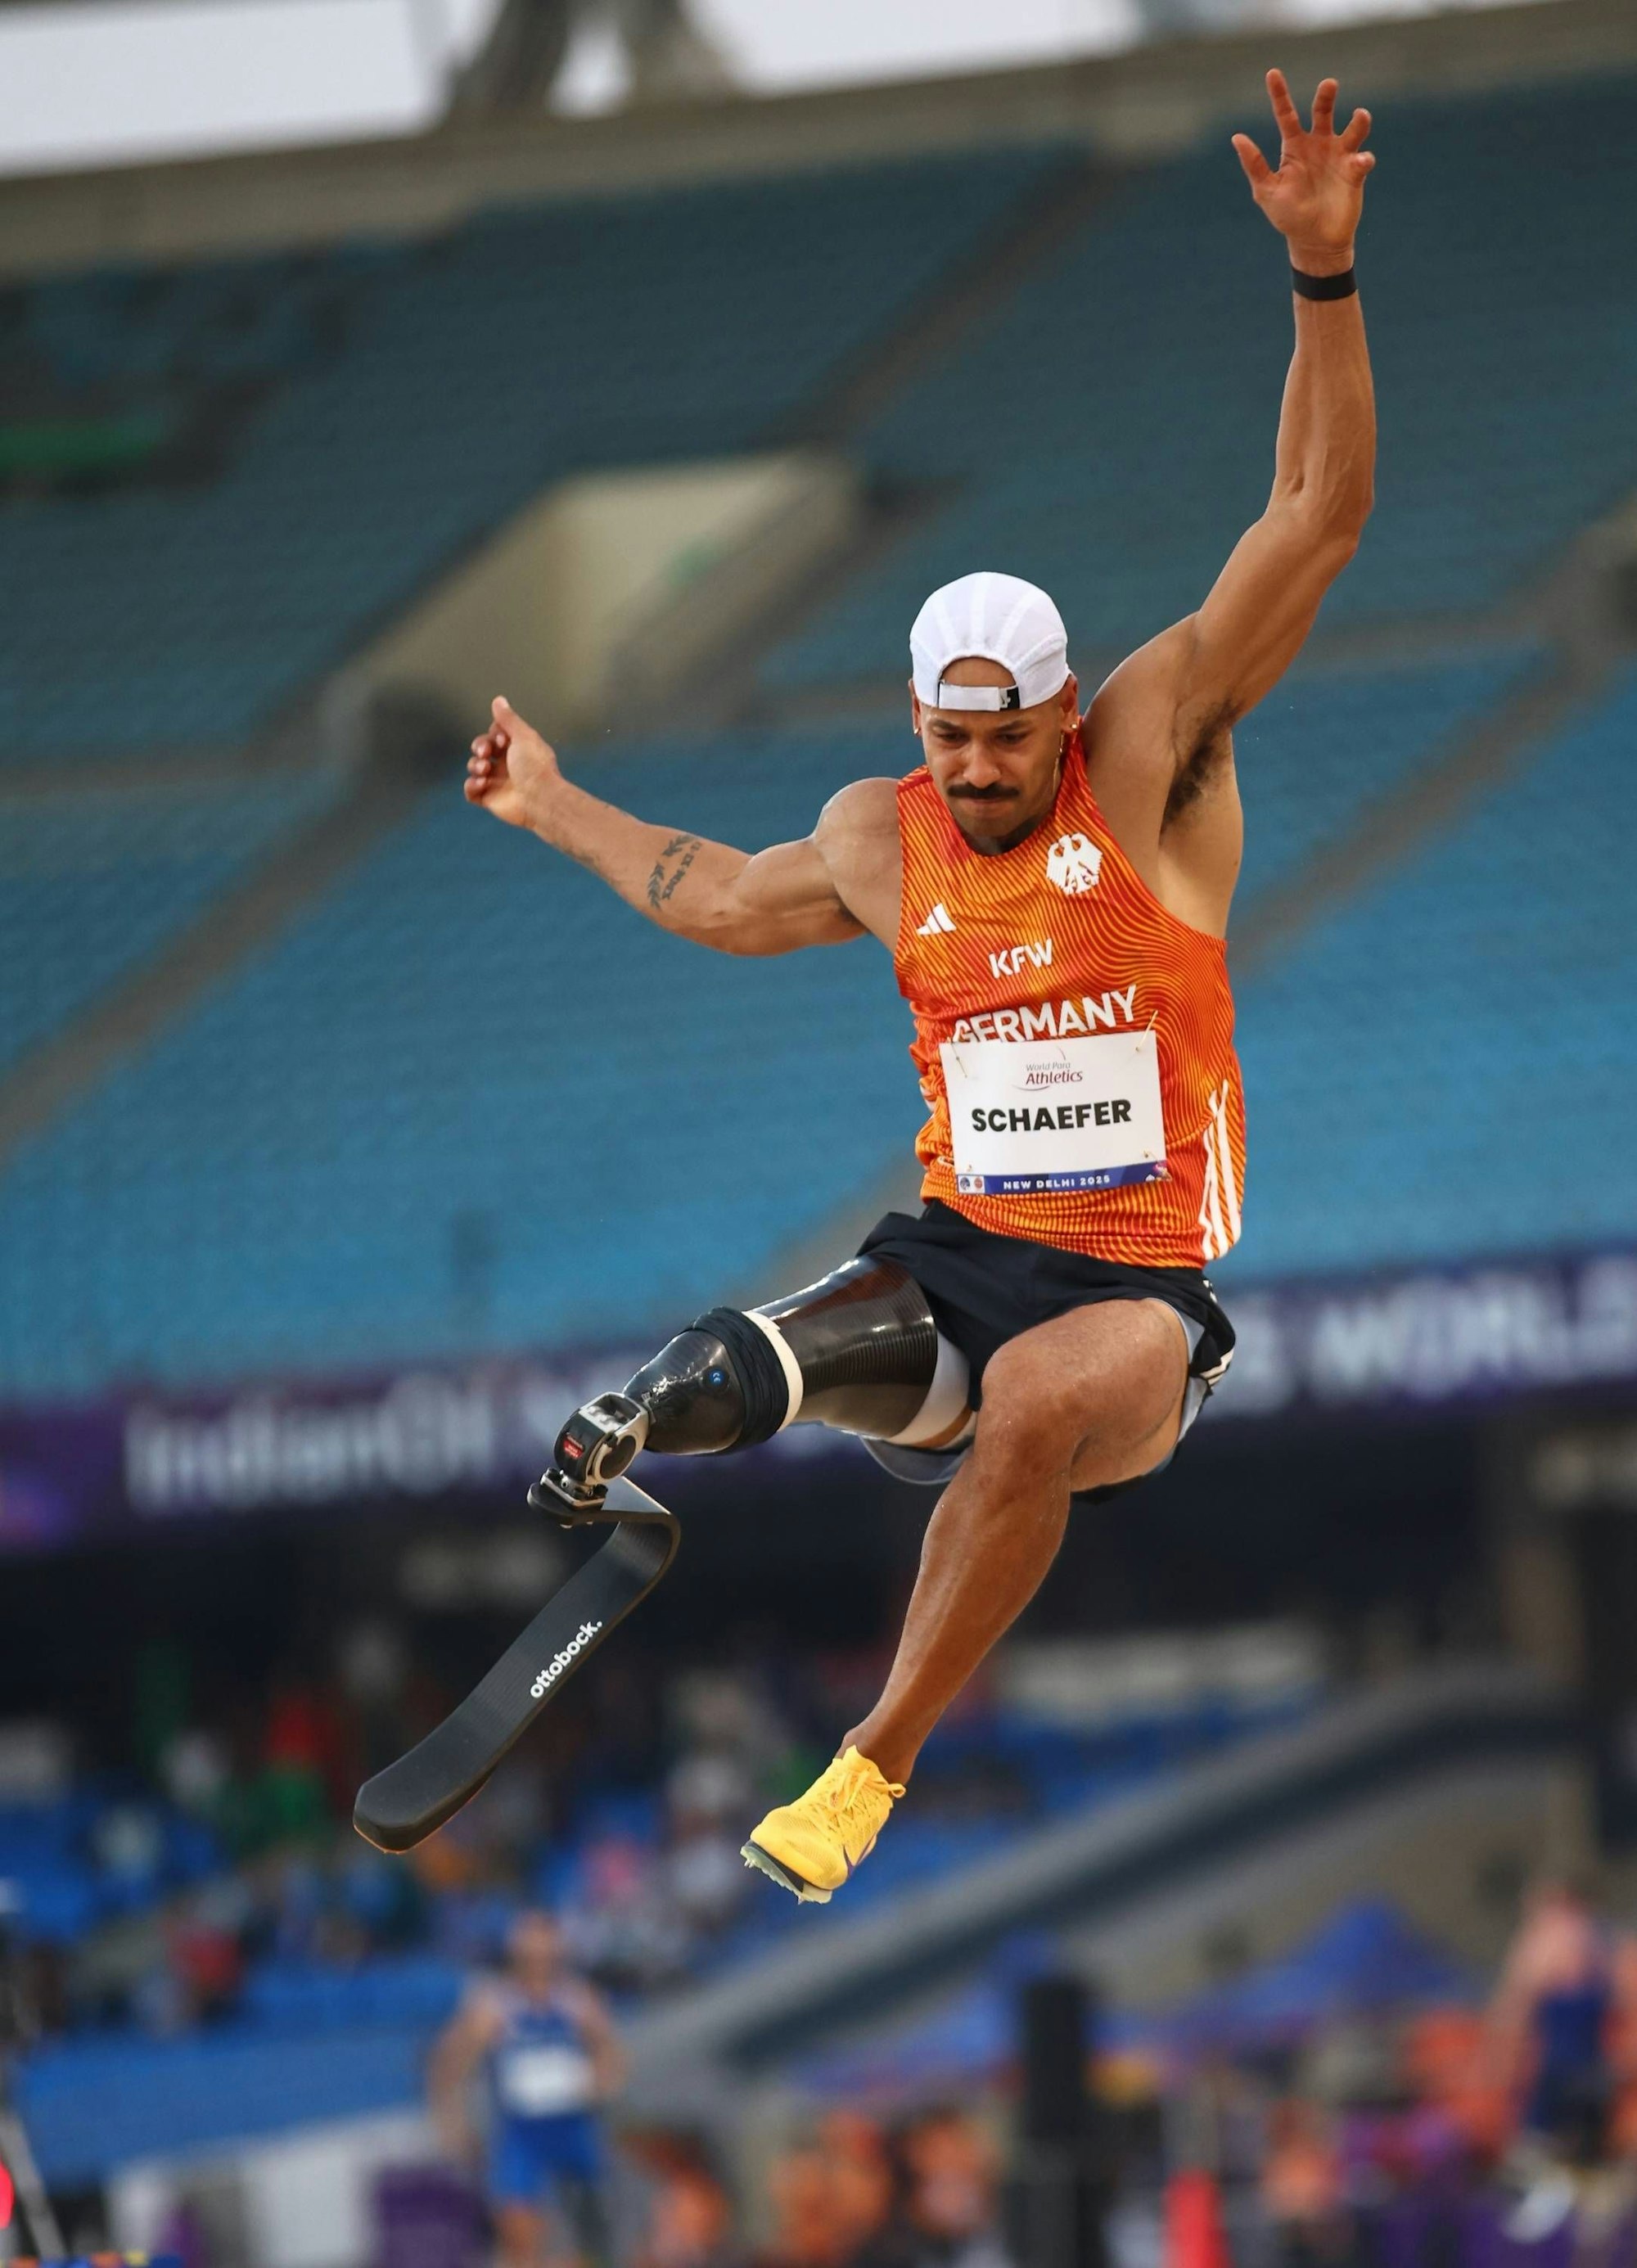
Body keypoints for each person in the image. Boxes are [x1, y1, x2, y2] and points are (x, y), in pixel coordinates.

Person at [464, 72, 1375, 1905]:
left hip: (1132, 1289)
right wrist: (555, 803)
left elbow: (1310, 516)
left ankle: (868, 1767)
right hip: (959, 1246)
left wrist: (1323, 285)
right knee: (725, 1366)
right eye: (945, 739)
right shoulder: (882, 837)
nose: (973, 768)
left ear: (1055, 712)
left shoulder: (1150, 758)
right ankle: (626, 1439)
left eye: (999, 738)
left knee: (1034, 1399)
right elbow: (719, 896)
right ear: (917, 722)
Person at [430, 1909, 625, 2268]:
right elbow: (451, 2064)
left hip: (573, 2127)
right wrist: (452, 2121)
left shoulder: (578, 1999)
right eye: (531, 1957)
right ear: (517, 1956)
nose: (540, 1965)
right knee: (521, 2235)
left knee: (592, 2237)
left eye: (547, 1956)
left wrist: (600, 2081)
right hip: (521, 2134)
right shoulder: (495, 2005)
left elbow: (609, 2052)